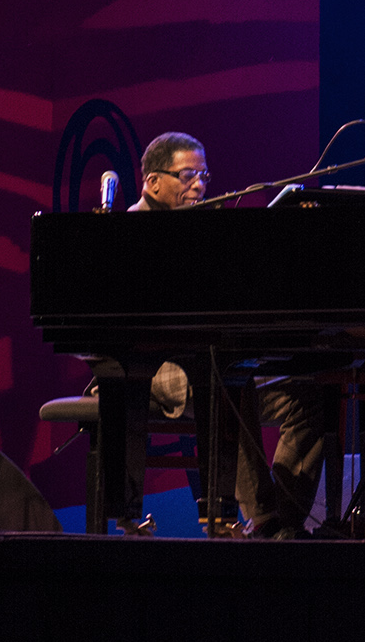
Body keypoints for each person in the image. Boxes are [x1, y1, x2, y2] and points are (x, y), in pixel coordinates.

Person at [128, 131, 325, 537]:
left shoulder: (203, 228)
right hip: (154, 365)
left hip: (210, 357)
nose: (199, 185)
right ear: (153, 182)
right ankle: (269, 520)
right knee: (227, 380)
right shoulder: (133, 232)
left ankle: (280, 521)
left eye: (203, 175)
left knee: (308, 395)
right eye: (187, 176)